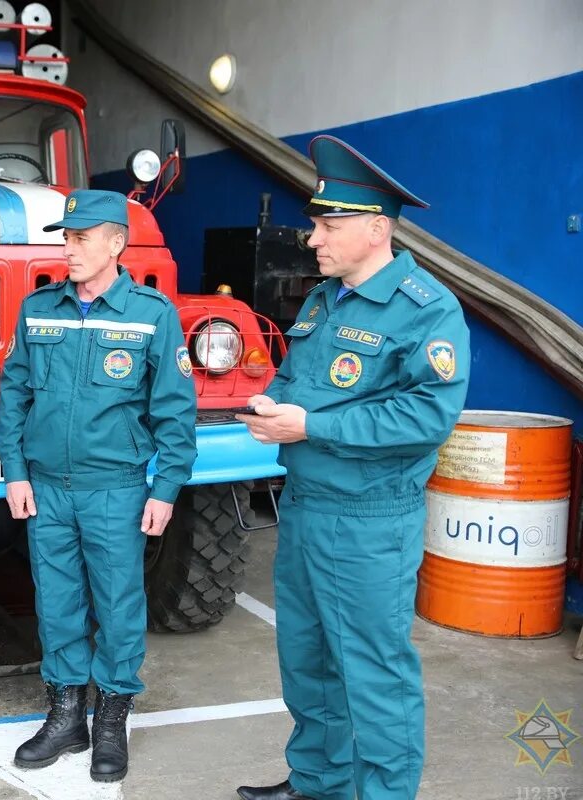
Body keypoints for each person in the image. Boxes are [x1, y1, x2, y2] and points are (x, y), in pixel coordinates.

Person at [235, 136, 470, 800]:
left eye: (327, 225)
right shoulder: (323, 301)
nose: (312, 238)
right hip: (307, 507)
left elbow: (426, 417)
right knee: (307, 665)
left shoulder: (426, 310)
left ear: (376, 229)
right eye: (316, 223)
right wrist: (270, 403)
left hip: (369, 523)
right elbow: (295, 377)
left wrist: (310, 425)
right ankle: (318, 782)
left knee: (373, 676)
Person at [0, 189, 197, 783]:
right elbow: (14, 393)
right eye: (67, 238)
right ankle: (65, 715)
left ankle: (111, 718)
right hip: (48, 488)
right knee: (57, 601)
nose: (70, 249)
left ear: (116, 243)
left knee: (118, 603)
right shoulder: (38, 309)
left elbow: (174, 410)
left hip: (116, 486)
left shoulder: (152, 313)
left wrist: (167, 487)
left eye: (82, 238)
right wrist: (15, 470)